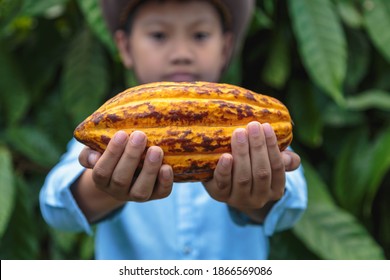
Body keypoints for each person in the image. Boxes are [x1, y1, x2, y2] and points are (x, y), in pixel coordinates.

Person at [40, 0, 307, 260]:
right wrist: (104, 189)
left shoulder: (254, 130)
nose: (182, 53)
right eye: (158, 35)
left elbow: (292, 206)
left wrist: (254, 198)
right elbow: (57, 208)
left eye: (200, 35)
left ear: (226, 48)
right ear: (125, 47)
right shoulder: (111, 131)